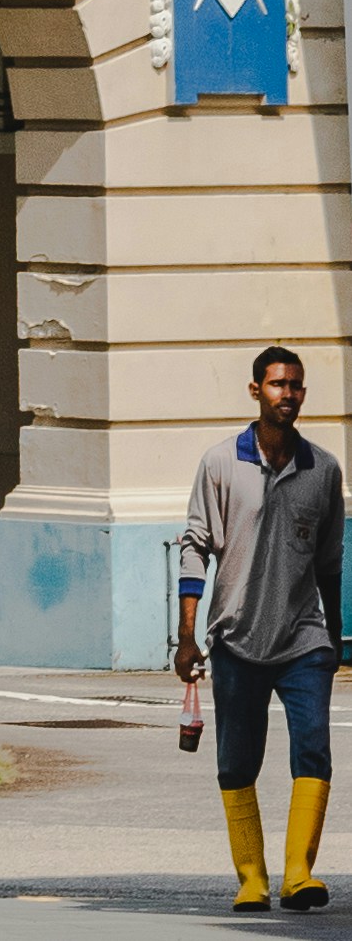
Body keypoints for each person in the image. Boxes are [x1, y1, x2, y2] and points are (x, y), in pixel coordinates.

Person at [184, 346, 346, 909]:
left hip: (304, 641)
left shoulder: (323, 469)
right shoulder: (220, 463)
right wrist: (186, 636)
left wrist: (335, 638)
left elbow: (330, 562)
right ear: (255, 390)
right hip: (235, 638)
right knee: (236, 760)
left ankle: (299, 874)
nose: (288, 394)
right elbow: (195, 548)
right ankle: (251, 879)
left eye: (296, 385)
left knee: (314, 753)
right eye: (278, 384)